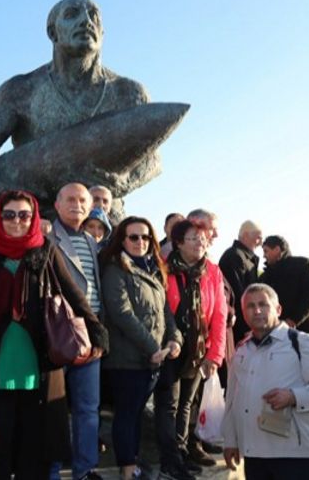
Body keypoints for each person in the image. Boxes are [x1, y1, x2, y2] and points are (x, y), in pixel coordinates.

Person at [0, 190, 108, 480]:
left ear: (33, 218)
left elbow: (73, 294)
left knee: (36, 439)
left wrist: (97, 331)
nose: (17, 221)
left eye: (24, 215)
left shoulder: (44, 249)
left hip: (38, 355)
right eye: (9, 215)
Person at [0, 0, 154, 208]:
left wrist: (122, 183)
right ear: (52, 32)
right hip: (34, 215)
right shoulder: (20, 90)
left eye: (94, 17)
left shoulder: (128, 92)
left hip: (100, 214)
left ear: (102, 33)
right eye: (72, 15)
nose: (86, 21)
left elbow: (152, 159)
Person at [222, 284, 309, 480]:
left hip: (291, 453)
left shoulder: (301, 343)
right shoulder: (242, 350)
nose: (257, 310)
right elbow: (232, 400)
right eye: (250, 306)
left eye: (263, 304)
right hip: (253, 454)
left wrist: (294, 396)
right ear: (243, 313)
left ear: (278, 309)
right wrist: (230, 440)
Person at [101, 216, 182, 480]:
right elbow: (121, 314)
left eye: (145, 237)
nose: (140, 242)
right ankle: (127, 470)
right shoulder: (115, 270)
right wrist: (152, 348)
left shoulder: (152, 270)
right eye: (133, 237)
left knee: (135, 415)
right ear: (122, 240)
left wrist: (174, 339)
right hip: (126, 360)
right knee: (126, 416)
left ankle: (134, 466)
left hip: (152, 359)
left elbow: (165, 312)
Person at [155, 219, 227, 476]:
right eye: (193, 238)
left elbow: (220, 314)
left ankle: (182, 453)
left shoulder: (213, 271)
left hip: (198, 350)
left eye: (203, 239)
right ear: (178, 242)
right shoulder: (163, 268)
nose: (200, 243)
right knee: (169, 404)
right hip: (170, 347)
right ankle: (170, 459)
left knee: (186, 403)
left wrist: (214, 354)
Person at [49, 182, 107, 480]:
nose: (77, 205)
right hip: (60, 333)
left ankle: (85, 469)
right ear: (57, 204)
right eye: (70, 199)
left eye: (83, 200)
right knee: (55, 409)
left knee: (88, 408)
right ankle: (53, 470)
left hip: (91, 332)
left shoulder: (90, 240)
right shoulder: (47, 237)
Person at [260, 235, 309, 340]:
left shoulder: (304, 265)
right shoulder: (266, 277)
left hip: (305, 334)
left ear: (277, 249)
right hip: (276, 337)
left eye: (266, 251)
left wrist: (293, 319)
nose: (264, 256)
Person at [218, 220, 262, 345]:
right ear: (246, 235)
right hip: (239, 329)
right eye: (258, 237)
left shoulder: (244, 258)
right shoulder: (234, 257)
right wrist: (247, 328)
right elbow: (238, 295)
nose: (261, 242)